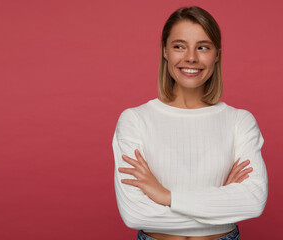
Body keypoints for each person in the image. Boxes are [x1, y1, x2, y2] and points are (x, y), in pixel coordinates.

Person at [112, 6, 268, 240]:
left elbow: (253, 202)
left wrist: (166, 196)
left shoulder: (239, 121)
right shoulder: (135, 120)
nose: (191, 57)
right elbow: (135, 214)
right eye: (179, 46)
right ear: (165, 51)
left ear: (217, 54)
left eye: (203, 47)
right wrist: (223, 200)